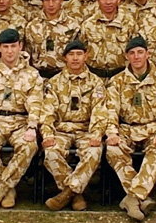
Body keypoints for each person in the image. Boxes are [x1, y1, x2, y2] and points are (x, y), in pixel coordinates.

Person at [105, 36, 156, 221]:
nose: (136, 57)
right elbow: (110, 110)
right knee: (113, 149)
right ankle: (139, 198)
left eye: (140, 52)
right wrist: (112, 133)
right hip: (127, 129)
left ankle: (133, 197)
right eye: (132, 53)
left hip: (152, 128)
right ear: (127, 56)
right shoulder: (117, 81)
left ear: (148, 54)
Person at [0, 29, 42, 209]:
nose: (10, 51)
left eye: (13, 46)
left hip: (20, 122)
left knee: (30, 145)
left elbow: (36, 103)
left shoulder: (32, 74)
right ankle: (8, 189)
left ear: (20, 46)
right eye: (6, 47)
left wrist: (32, 127)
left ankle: (0, 189)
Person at [41, 40, 107, 211]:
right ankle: (75, 194)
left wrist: (97, 134)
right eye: (71, 55)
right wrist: (47, 134)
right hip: (61, 130)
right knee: (51, 152)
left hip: (86, 130)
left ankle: (66, 193)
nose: (75, 58)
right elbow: (47, 112)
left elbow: (100, 112)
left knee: (94, 151)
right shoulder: (54, 83)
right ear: (65, 58)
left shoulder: (96, 83)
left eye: (79, 54)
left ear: (86, 56)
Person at [79, 0, 138, 80]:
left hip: (122, 77)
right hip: (95, 77)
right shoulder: (88, 25)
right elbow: (82, 51)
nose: (108, 2)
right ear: (98, 1)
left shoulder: (129, 23)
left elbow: (135, 51)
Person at [25, 0, 81, 79]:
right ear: (42, 2)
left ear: (61, 0)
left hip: (64, 77)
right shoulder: (32, 27)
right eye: (47, 0)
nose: (51, 4)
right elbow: (27, 55)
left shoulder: (73, 25)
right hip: (39, 76)